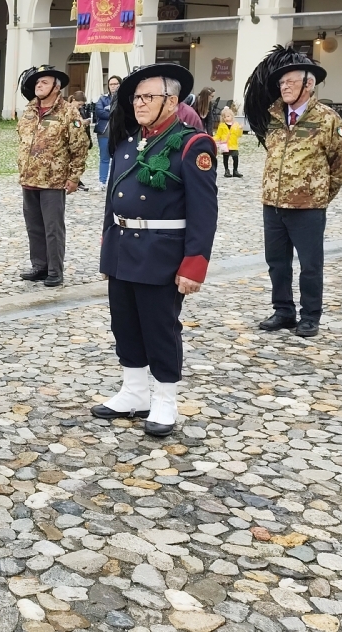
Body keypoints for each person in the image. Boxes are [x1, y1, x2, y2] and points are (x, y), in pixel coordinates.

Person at [92, 64, 218, 438]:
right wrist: (106, 250)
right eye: (136, 97)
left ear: (172, 101)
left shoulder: (193, 144)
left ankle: (164, 398)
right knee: (125, 324)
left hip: (162, 252)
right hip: (123, 247)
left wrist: (194, 265)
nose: (139, 104)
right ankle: (133, 392)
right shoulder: (129, 142)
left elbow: (203, 210)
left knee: (160, 327)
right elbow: (112, 200)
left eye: (148, 97)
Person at [243, 47, 342, 339]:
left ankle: (310, 316)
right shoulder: (274, 118)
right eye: (281, 83)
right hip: (273, 204)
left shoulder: (327, 119)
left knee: (310, 265)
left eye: (291, 81)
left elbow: (341, 164)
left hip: (308, 208)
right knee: (277, 263)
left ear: (309, 83)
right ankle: (283, 311)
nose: (285, 87)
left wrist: (318, 196)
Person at [16, 65, 89, 287]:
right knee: (34, 226)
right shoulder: (29, 110)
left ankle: (55, 270)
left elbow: (80, 146)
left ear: (56, 88)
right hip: (29, 178)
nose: (39, 85)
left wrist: (74, 176)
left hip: (53, 180)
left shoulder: (68, 112)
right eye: (37, 82)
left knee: (52, 228)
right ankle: (40, 265)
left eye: (45, 82)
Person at [93, 76, 121, 191]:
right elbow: (99, 112)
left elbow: (122, 112)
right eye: (111, 84)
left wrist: (108, 109)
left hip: (119, 132)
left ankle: (116, 182)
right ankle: (102, 182)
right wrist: (112, 111)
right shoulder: (103, 99)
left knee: (118, 158)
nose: (113, 86)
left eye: (116, 84)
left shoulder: (123, 98)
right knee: (104, 157)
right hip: (104, 132)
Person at [214, 106, 243, 178]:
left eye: (228, 116)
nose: (226, 118)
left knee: (235, 157)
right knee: (225, 157)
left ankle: (235, 171)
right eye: (224, 117)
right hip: (225, 144)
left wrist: (240, 129)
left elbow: (239, 135)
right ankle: (226, 170)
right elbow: (218, 135)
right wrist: (213, 139)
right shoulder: (222, 125)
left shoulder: (236, 125)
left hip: (233, 144)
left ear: (232, 116)